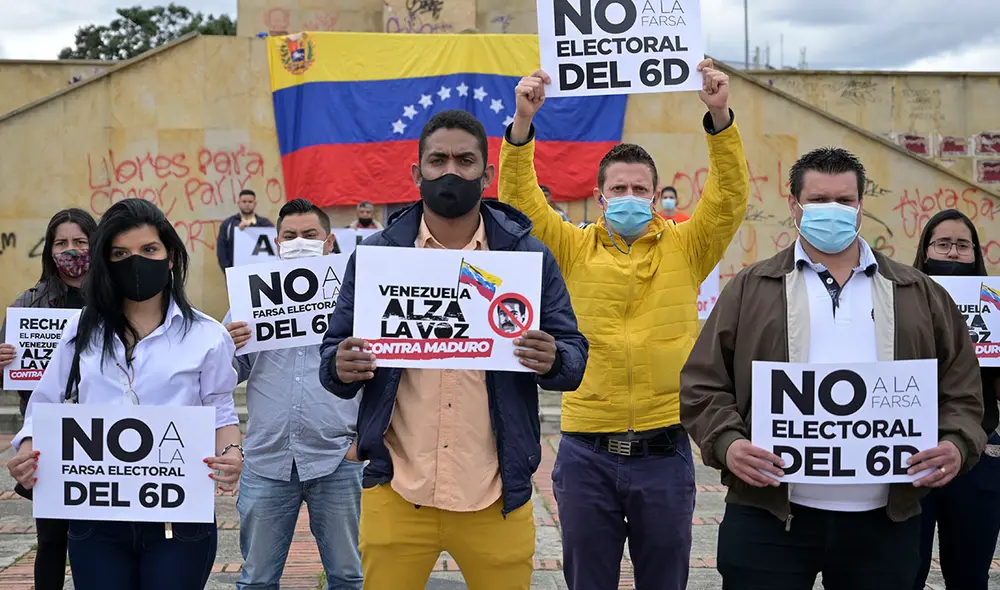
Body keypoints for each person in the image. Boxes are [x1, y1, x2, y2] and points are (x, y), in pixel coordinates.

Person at [679, 148, 986, 590]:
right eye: (819, 200)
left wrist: (956, 443)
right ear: (794, 206)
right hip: (768, 518)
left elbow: (962, 391)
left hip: (885, 522)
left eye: (845, 201)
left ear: (861, 207)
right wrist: (727, 443)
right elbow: (703, 383)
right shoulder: (751, 287)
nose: (833, 211)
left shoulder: (918, 292)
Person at [499, 60, 749, 590]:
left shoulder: (688, 247)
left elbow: (727, 201)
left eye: (641, 188)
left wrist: (720, 116)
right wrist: (522, 127)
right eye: (620, 188)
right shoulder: (570, 247)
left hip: (665, 452)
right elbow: (521, 204)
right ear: (600, 196)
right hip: (585, 452)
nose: (631, 197)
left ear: (657, 197)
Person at [318, 109, 589, 590]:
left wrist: (556, 359)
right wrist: (342, 365)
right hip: (397, 489)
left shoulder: (527, 258)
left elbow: (572, 354)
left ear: (486, 174)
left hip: (496, 494)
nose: (450, 171)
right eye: (437, 159)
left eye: (465, 160)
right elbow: (332, 357)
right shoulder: (379, 257)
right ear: (415, 171)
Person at [5, 198, 244, 590]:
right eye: (120, 253)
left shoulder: (206, 335)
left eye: (149, 250)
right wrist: (27, 450)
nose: (136, 262)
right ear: (106, 262)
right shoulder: (79, 330)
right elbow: (44, 406)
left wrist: (232, 455)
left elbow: (220, 410)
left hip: (178, 521)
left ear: (170, 257)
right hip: (94, 520)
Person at [223, 198, 364, 590]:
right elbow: (222, 381)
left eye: (309, 235)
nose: (299, 242)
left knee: (349, 577)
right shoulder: (248, 301)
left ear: (330, 242)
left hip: (338, 459)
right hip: (267, 461)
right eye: (290, 236)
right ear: (277, 242)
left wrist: (362, 444)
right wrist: (227, 350)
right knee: (256, 581)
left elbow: (379, 375)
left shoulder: (356, 302)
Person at [0, 207, 96, 590]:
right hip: (50, 438)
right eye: (61, 243)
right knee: (52, 541)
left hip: (101, 435)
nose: (70, 250)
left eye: (79, 242)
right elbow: (9, 371)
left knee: (97, 541)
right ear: (49, 249)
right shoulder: (28, 303)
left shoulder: (117, 300)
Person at [912, 208, 1000, 590]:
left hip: (976, 453)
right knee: (905, 570)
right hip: (910, 452)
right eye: (943, 244)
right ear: (926, 250)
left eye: (962, 245)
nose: (952, 253)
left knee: (969, 574)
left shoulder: (995, 306)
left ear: (976, 253)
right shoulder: (901, 298)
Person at [217, 189, 274, 270]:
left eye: (250, 202)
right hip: (236, 273)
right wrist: (229, 271)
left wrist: (252, 229)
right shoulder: (228, 224)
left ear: (255, 204)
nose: (247, 204)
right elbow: (222, 251)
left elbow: (272, 245)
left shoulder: (266, 224)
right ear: (239, 203)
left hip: (260, 271)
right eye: (244, 202)